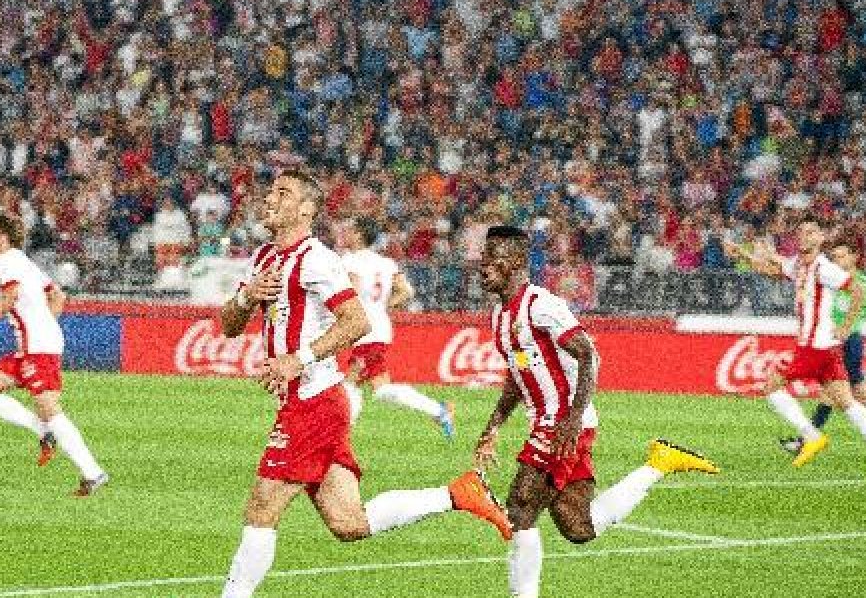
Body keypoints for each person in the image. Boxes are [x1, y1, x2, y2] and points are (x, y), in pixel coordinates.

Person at [218, 170, 511, 598]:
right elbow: (228, 327)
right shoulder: (263, 257)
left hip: (314, 401)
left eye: (284, 193)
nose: (270, 198)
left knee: (263, 506)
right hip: (314, 401)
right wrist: (246, 297)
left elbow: (357, 321)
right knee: (348, 522)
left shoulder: (316, 259)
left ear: (306, 209)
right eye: (270, 191)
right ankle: (459, 494)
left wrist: (297, 359)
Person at [474, 225, 719, 598]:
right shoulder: (499, 316)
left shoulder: (541, 305)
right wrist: (493, 426)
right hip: (550, 422)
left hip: (563, 424)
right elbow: (517, 378)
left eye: (492, 255)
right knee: (578, 527)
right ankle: (659, 464)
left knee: (520, 507)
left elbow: (588, 353)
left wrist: (573, 418)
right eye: (483, 255)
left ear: (516, 261)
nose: (483, 263)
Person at [724, 219, 866, 481]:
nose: (804, 236)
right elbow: (772, 269)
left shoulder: (823, 267)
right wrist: (743, 254)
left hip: (814, 346)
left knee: (771, 386)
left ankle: (810, 434)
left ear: (820, 238)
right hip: (825, 348)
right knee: (847, 402)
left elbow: (858, 290)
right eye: (801, 232)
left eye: (811, 232)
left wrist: (847, 326)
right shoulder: (799, 264)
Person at [0, 214, 108, 497]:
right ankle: (44, 432)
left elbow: (9, 297)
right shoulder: (24, 261)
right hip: (33, 344)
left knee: (51, 411)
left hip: (38, 346)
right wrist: (46, 325)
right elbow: (59, 296)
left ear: (3, 237)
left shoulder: (6, 261)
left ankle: (93, 472)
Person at [779, 239, 866, 454]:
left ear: (855, 257)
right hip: (829, 344)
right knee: (830, 394)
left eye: (842, 256)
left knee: (859, 394)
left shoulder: (863, 285)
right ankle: (806, 440)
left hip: (849, 343)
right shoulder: (830, 281)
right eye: (834, 257)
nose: (837, 260)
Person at [339, 217, 454, 437]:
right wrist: (381, 306)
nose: (347, 234)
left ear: (360, 235)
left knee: (358, 385)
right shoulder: (387, 263)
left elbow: (350, 292)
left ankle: (340, 435)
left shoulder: (350, 261)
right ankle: (439, 410)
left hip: (365, 330)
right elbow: (407, 292)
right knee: (371, 386)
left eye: (352, 231)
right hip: (380, 327)